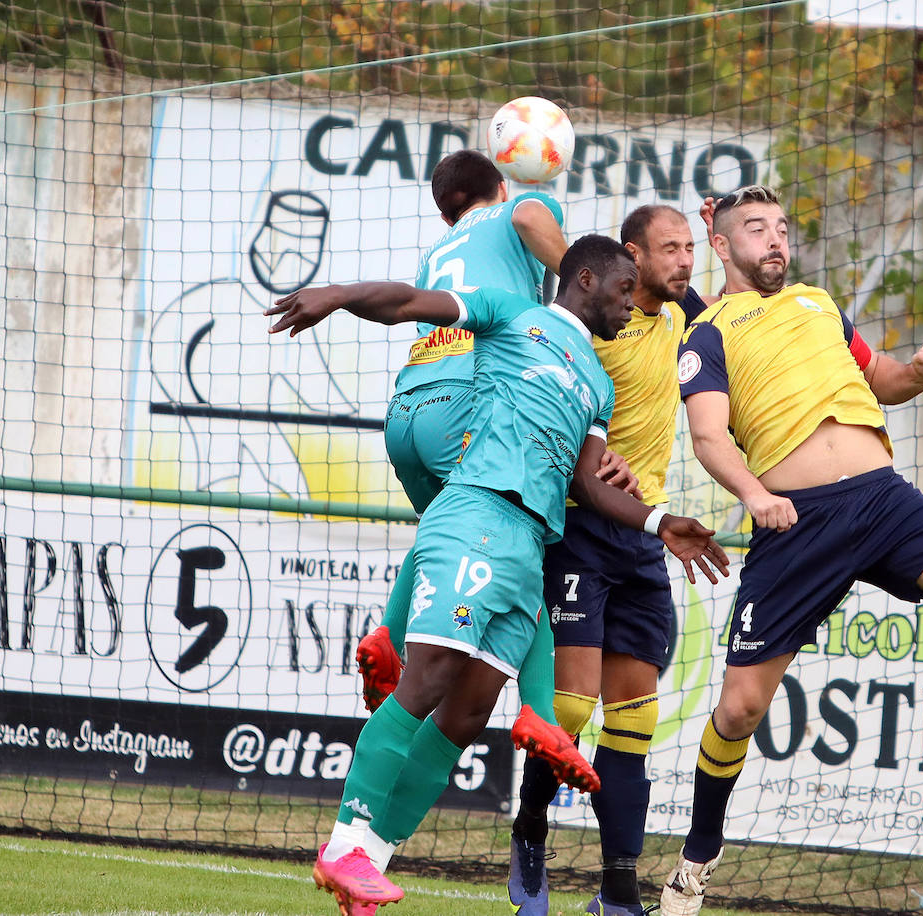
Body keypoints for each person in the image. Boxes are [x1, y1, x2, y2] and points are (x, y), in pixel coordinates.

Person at [267, 234, 730, 916]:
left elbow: (590, 486)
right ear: (585, 278)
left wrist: (660, 522)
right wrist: (336, 297)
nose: (632, 305)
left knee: (467, 713)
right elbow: (407, 303)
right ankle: (343, 844)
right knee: (427, 680)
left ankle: (371, 864)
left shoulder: (597, 385)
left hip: (529, 546)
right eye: (624, 289)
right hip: (477, 511)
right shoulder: (514, 314)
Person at [660, 185, 923, 916]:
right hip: (796, 523)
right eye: (756, 229)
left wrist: (921, 370)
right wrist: (755, 496)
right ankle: (694, 865)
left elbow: (879, 377)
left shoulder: (821, 305)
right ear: (721, 247)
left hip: (881, 499)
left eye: (781, 228)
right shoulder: (709, 332)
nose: (775, 240)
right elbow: (710, 437)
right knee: (740, 709)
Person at [356, 149, 618, 792]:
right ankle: (540, 710)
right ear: (498, 187)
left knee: (452, 521)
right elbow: (533, 221)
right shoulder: (518, 209)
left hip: (406, 412)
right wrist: (579, 272)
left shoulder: (441, 248)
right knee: (517, 529)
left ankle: (390, 633)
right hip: (464, 403)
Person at [508, 205, 709, 916]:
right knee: (569, 705)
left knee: (633, 724)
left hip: (645, 539)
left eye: (692, 248)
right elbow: (533, 221)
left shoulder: (684, 317)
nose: (686, 262)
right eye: (671, 249)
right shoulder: (595, 330)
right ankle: (530, 826)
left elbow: (738, 310)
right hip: (581, 527)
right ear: (630, 256)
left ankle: (618, 892)